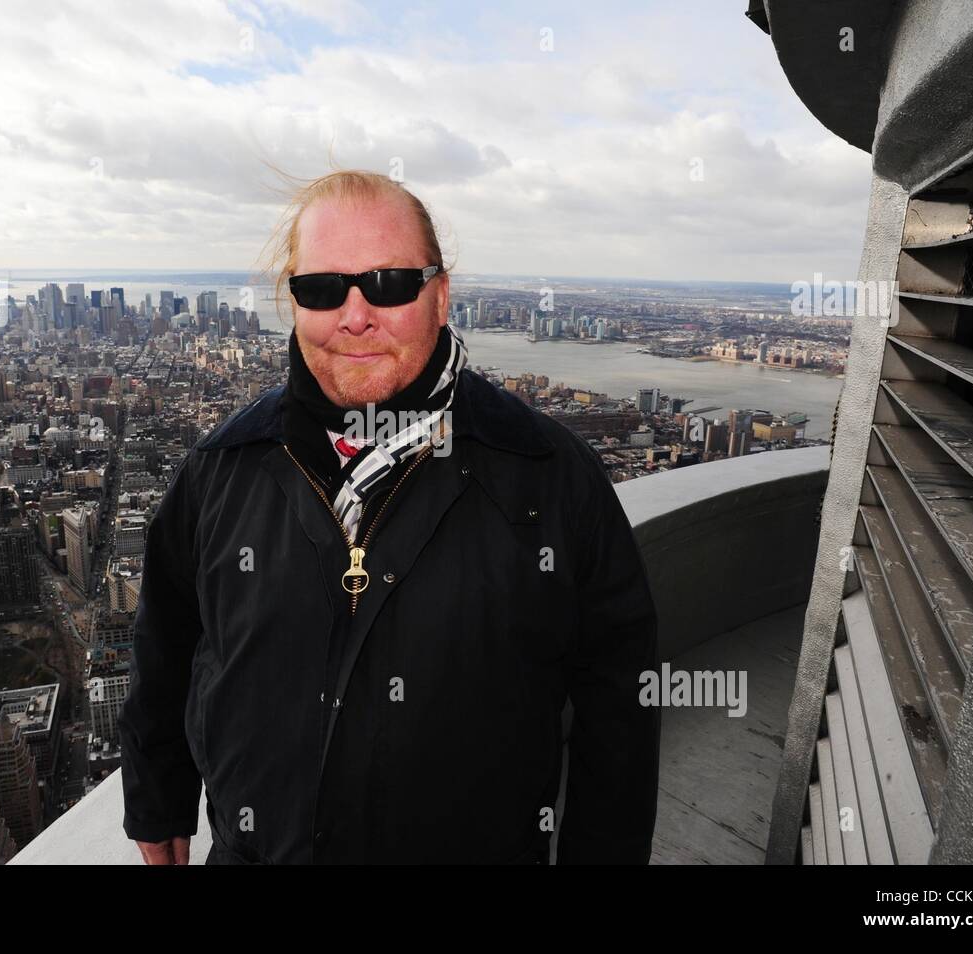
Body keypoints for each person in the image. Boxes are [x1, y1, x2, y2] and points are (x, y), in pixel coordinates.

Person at [119, 169, 659, 864]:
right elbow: (165, 646)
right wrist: (157, 795)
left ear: (440, 295)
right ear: (294, 304)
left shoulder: (551, 480)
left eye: (388, 284)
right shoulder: (221, 471)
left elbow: (618, 708)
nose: (354, 315)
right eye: (321, 289)